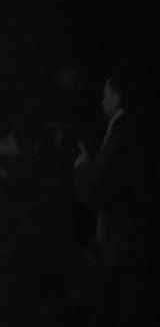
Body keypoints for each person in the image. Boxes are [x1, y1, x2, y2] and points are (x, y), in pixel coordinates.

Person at [73, 55, 159, 326]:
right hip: (139, 234)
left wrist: (81, 166)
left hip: (127, 238)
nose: (102, 100)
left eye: (105, 94)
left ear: (118, 97)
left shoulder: (124, 131)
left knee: (125, 306)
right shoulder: (143, 127)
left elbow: (99, 184)